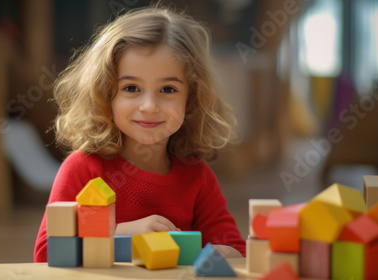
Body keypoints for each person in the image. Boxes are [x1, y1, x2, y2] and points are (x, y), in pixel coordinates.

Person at [34, 6, 246, 262]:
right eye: (131, 88)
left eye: (168, 89)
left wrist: (215, 255)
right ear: (105, 94)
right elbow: (46, 254)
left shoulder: (198, 179)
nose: (149, 106)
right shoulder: (83, 169)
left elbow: (237, 251)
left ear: (192, 99)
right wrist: (124, 236)